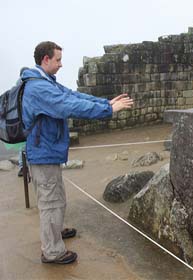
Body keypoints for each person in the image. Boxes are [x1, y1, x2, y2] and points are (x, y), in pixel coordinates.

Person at [21, 41, 133, 264]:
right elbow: (67, 106)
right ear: (45, 59)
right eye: (58, 60)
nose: (61, 64)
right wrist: (108, 110)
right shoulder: (38, 88)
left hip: (48, 152)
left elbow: (74, 96)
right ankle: (52, 252)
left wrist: (105, 103)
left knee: (57, 198)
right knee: (50, 202)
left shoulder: (45, 82)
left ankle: (56, 231)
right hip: (43, 155)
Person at [17, 67, 30, 177]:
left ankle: (22, 167)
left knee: (22, 145)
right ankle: (25, 166)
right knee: (27, 143)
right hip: (27, 119)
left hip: (18, 119)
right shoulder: (26, 84)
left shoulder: (16, 87)